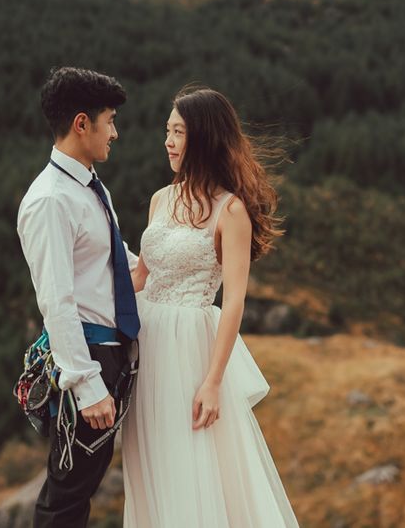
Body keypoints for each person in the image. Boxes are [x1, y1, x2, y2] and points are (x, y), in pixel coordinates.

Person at [122, 87, 300, 527]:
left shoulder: (231, 210)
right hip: (146, 348)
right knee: (151, 462)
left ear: (202, 138)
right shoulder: (161, 199)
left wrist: (214, 381)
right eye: (167, 131)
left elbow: (234, 298)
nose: (168, 141)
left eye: (178, 132)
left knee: (191, 466)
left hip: (190, 353)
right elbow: (141, 277)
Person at [17, 67, 140, 528]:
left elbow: (117, 263)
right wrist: (87, 386)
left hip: (107, 353)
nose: (116, 132)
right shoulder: (50, 199)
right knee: (68, 495)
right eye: (110, 121)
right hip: (86, 359)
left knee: (81, 486)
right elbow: (56, 301)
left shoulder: (89, 186)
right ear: (82, 123)